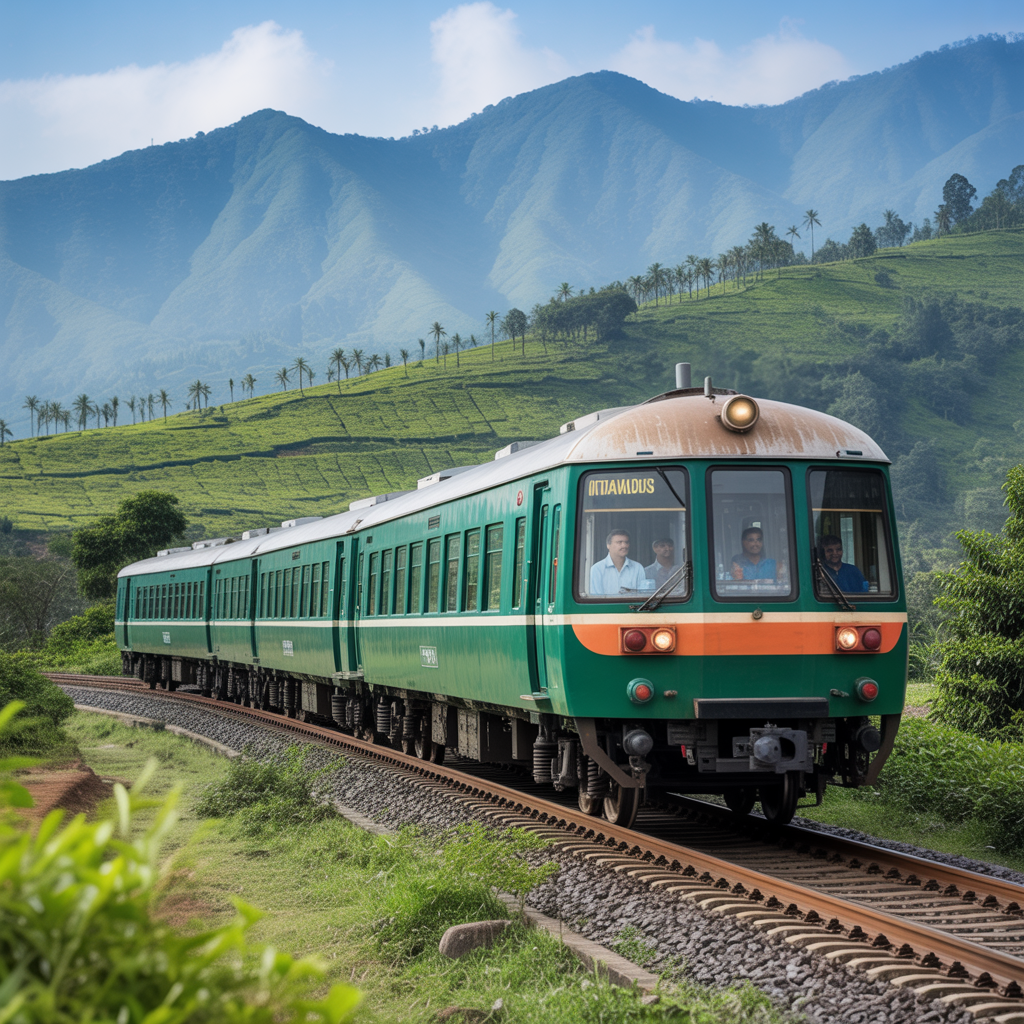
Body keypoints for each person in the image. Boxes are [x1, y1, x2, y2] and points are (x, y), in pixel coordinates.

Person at [590, 529, 648, 595]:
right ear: (608, 545)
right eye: (619, 542)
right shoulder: (597, 569)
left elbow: (642, 596)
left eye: (626, 542)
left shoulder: (638, 568)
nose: (624, 546)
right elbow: (596, 600)